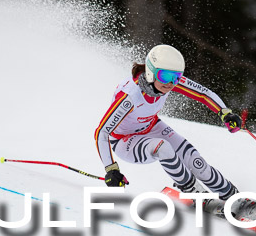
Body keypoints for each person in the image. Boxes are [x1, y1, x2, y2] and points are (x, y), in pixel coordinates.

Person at [93, 44, 244, 211]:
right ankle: (193, 191)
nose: (171, 83)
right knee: (163, 147)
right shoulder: (131, 96)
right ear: (151, 71)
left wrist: (225, 113)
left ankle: (232, 196)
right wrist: (111, 169)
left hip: (151, 127)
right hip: (124, 141)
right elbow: (102, 132)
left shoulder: (165, 81)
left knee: (196, 162)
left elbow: (203, 93)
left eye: (177, 77)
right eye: (165, 76)